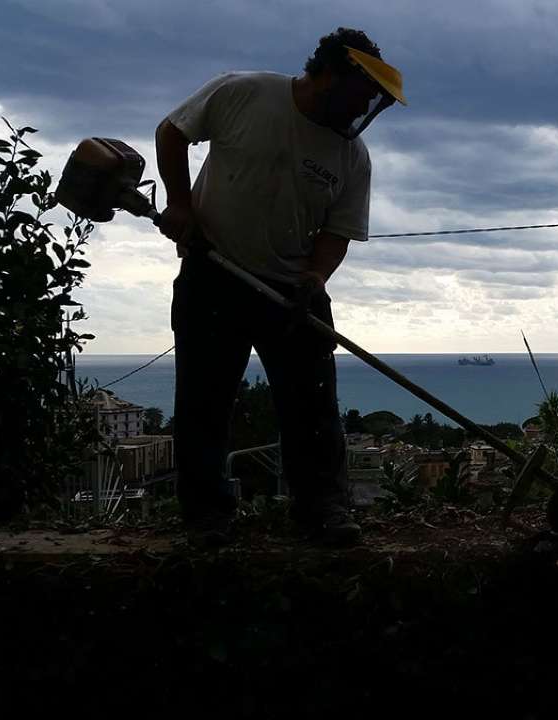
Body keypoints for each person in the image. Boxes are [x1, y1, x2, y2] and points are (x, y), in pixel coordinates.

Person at [154, 27, 407, 547]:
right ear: (330, 75)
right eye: (361, 96)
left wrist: (314, 278)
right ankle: (207, 516)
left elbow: (338, 232)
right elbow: (172, 132)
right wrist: (180, 203)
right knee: (204, 400)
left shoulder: (352, 155)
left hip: (294, 289)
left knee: (313, 405)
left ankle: (321, 508)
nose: (363, 111)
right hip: (213, 272)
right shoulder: (243, 92)